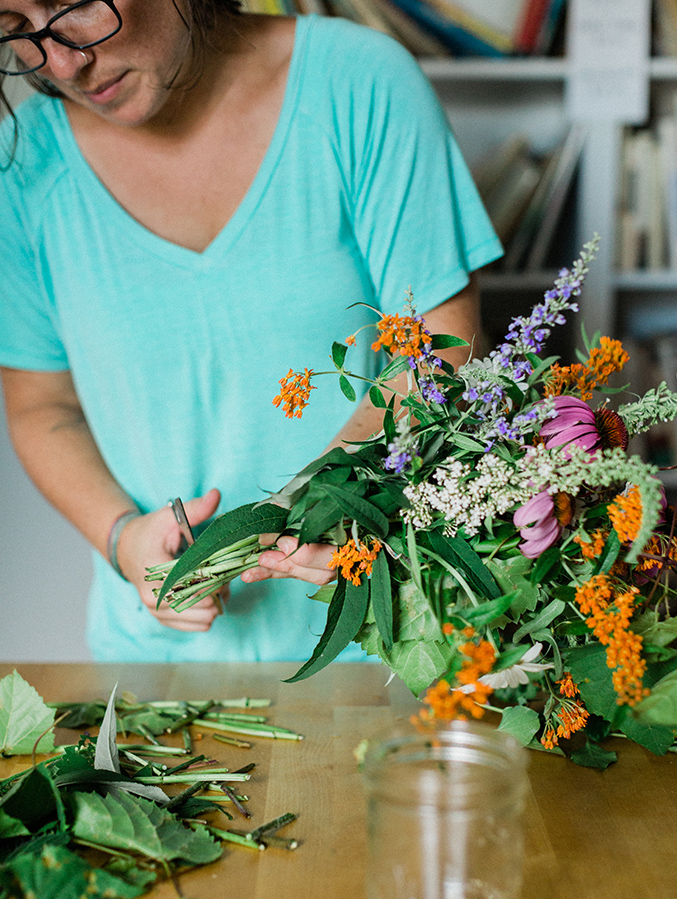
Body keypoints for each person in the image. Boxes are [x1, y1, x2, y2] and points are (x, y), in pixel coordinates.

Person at [0, 0, 502, 662]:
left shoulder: (359, 83)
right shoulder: (23, 161)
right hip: (156, 663)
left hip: (385, 639)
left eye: (78, 5)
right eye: (15, 28)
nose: (62, 61)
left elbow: (441, 352)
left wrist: (336, 503)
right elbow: (42, 405)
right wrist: (122, 537)